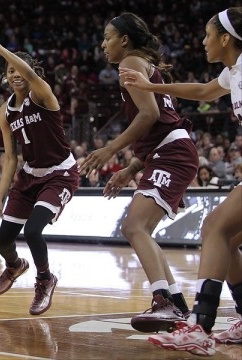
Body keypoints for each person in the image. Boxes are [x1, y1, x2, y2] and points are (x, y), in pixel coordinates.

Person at [120, 7, 242, 356]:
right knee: (227, 238)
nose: (202, 41)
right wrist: (149, 85)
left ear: (225, 38)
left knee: (214, 228)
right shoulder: (233, 72)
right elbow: (203, 91)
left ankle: (199, 327)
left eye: (207, 34)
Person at [80, 13, 198, 333]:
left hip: (171, 154)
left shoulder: (129, 62)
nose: (103, 44)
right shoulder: (141, 63)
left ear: (125, 40)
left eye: (108, 37)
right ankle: (178, 305)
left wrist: (110, 149)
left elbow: (151, 114)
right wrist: (131, 167)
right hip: (166, 152)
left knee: (134, 226)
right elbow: (156, 124)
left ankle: (165, 302)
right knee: (141, 228)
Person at [0, 20, 80, 315]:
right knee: (3, 238)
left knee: (33, 231)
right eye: (10, 71)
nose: (16, 74)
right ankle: (15, 266)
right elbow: (10, 159)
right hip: (29, 175)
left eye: (19, 69)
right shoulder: (4, 111)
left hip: (60, 174)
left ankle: (45, 280)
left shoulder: (42, 94)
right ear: (6, 78)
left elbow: (30, 72)